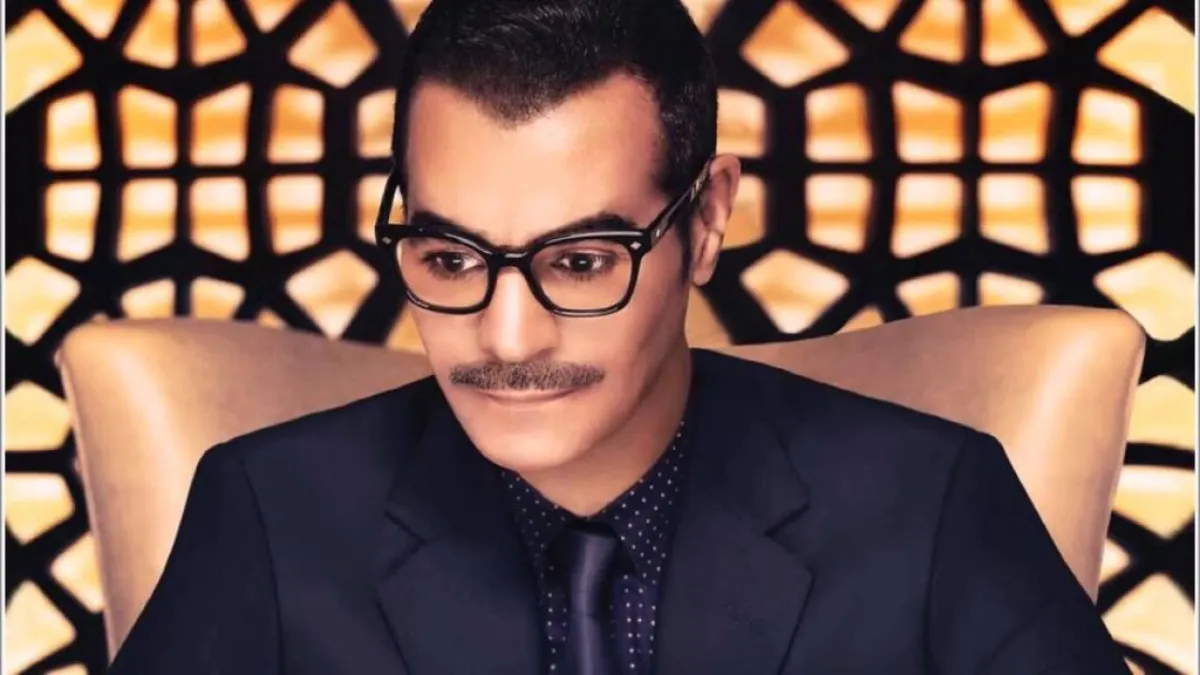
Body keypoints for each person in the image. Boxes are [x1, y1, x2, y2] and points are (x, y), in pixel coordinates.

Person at [108, 1, 1133, 673]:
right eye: (452, 259)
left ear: (707, 220)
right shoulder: (270, 516)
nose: (507, 336)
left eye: (582, 262)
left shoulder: (933, 506)